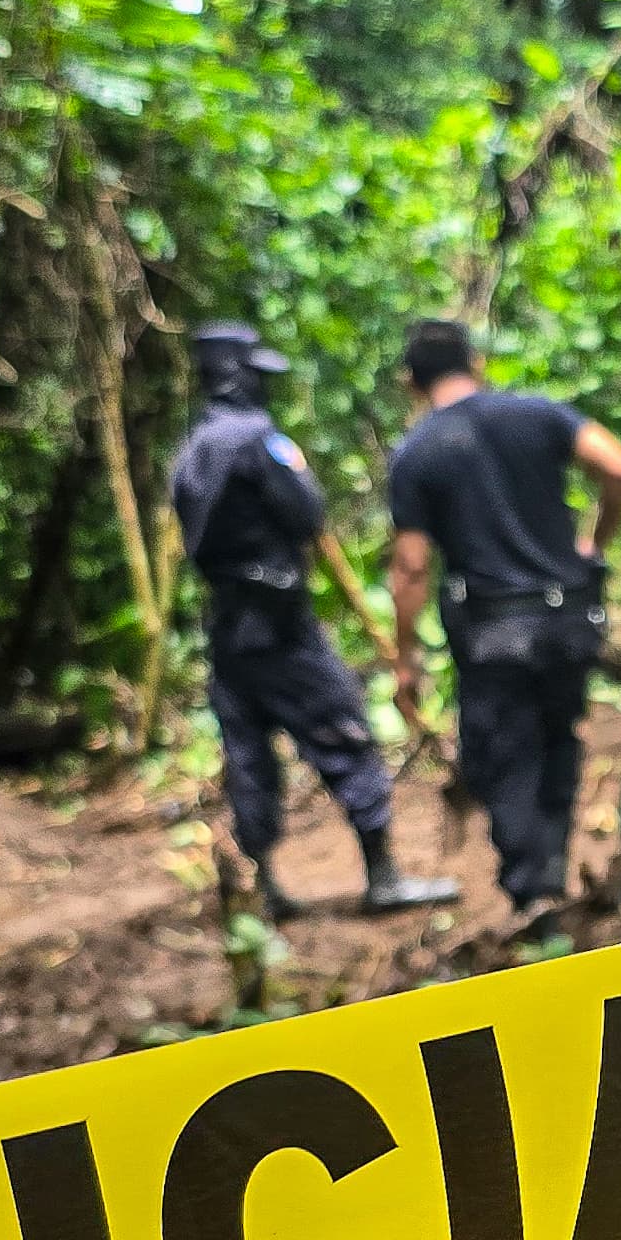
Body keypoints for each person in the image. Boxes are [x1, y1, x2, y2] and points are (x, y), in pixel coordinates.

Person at [167, 321, 458, 919]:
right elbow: (305, 514)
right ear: (239, 377)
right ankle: (383, 876)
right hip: (280, 628)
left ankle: (263, 891)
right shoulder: (256, 439)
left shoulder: (192, 449)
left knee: (247, 753)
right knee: (342, 727)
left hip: (227, 627)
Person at [381, 318, 621, 934]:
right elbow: (620, 468)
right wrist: (594, 542)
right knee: (559, 738)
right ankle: (548, 875)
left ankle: (532, 892)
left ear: (410, 382)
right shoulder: (539, 415)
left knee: (504, 754)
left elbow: (411, 565)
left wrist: (406, 657)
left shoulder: (417, 452)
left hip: (493, 632)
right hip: (568, 616)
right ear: (476, 363)